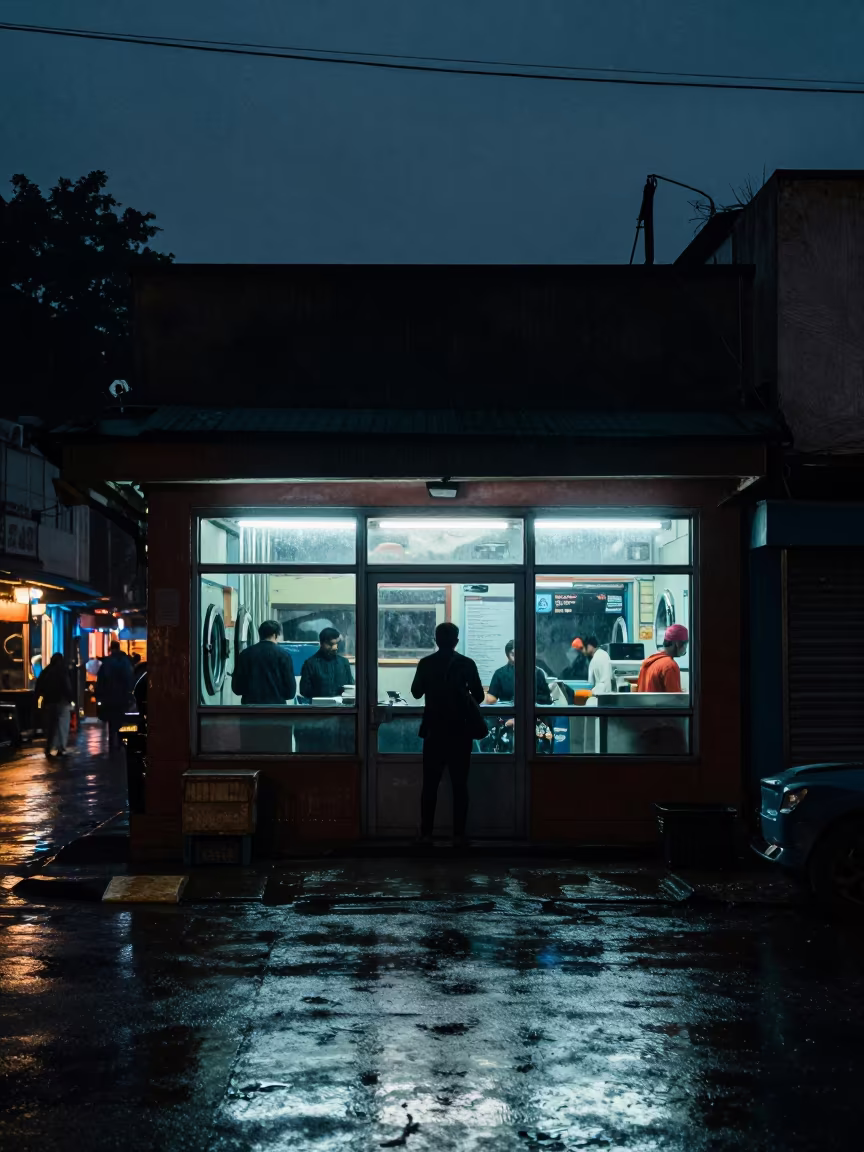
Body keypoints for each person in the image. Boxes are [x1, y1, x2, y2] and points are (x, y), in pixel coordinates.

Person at [411, 622, 484, 847]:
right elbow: (479, 696)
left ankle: (426, 834)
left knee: (430, 785)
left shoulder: (426, 663)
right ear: (456, 641)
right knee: (460, 786)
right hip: (460, 733)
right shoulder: (466, 664)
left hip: (434, 732)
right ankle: (459, 835)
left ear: (435, 639)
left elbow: (415, 693)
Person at [231, 620, 296, 705]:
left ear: (260, 634)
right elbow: (290, 692)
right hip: (277, 710)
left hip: (250, 709)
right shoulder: (284, 655)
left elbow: (237, 688)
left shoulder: (245, 654)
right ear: (275, 635)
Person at [486, 640, 553, 707]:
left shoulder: (537, 672)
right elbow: (491, 697)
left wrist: (528, 698)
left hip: (532, 711)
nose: (517, 657)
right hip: (508, 713)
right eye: (513, 654)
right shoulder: (499, 673)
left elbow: (547, 698)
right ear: (507, 655)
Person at [96, 641, 135, 749]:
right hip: (121, 696)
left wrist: (99, 694)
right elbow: (129, 678)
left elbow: (101, 680)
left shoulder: (107, 662)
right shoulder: (125, 661)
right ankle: (119, 739)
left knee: (111, 719)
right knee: (120, 718)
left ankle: (112, 741)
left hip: (109, 696)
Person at [299, 627, 354, 701]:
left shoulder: (344, 662)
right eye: (331, 644)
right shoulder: (310, 664)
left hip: (342, 708)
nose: (335, 647)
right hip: (320, 708)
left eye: (336, 644)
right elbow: (304, 691)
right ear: (321, 643)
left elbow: (350, 685)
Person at [36, 652, 74, 759]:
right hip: (62, 702)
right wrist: (70, 699)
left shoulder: (46, 671)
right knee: (62, 725)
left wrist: (39, 699)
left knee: (51, 726)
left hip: (49, 702)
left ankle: (49, 747)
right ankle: (61, 748)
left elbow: (39, 686)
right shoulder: (63, 671)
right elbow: (67, 686)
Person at [636, 624, 688, 693]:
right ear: (677, 644)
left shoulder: (649, 661)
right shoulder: (670, 666)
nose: (685, 648)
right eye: (686, 644)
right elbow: (675, 699)